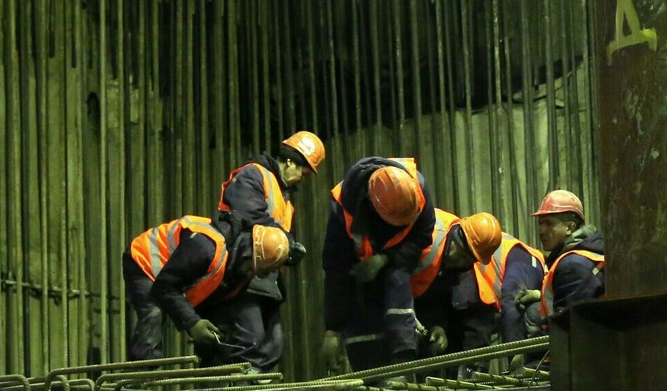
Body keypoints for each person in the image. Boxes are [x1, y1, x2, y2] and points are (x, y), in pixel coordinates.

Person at [213, 131, 326, 371]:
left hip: (266, 279)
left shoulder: (284, 198)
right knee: (249, 340)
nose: (301, 179)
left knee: (273, 344)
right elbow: (250, 214)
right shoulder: (253, 175)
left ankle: (252, 386)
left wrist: (288, 250)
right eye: (303, 173)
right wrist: (287, 240)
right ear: (289, 162)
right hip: (243, 272)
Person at [320, 156, 436, 373]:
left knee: (397, 277)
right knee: (358, 303)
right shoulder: (342, 209)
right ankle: (369, 375)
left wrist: (386, 259)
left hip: (398, 268)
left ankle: (403, 359)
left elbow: (422, 237)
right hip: (359, 276)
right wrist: (332, 330)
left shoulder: (418, 192)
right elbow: (336, 271)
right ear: (374, 207)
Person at [122, 214, 289, 363]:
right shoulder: (206, 247)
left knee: (215, 335)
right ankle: (137, 376)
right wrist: (193, 323)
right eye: (252, 267)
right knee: (154, 313)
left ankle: (212, 385)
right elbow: (165, 286)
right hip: (145, 262)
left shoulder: (236, 269)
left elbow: (212, 305)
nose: (251, 273)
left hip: (173, 278)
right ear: (247, 252)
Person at [409, 210, 504, 362]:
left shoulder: (457, 267)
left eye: (467, 260)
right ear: (457, 237)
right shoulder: (428, 237)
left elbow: (435, 295)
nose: (459, 263)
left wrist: (436, 325)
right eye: (460, 255)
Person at [513, 189, 606, 333]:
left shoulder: (573, 265)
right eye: (540, 223)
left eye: (549, 224)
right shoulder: (585, 253)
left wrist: (532, 352)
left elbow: (567, 330)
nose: (542, 231)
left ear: (570, 227)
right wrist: (540, 295)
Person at [481, 233, 547, 343]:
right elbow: (513, 303)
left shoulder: (523, 258)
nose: (542, 231)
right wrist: (516, 354)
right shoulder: (526, 260)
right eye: (541, 223)